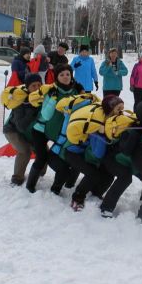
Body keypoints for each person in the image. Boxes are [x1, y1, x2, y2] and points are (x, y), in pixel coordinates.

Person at [25, 64, 84, 193]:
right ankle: (30, 184)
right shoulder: (52, 91)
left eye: (68, 74)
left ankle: (63, 184)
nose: (65, 77)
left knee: (71, 157)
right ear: (57, 77)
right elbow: (45, 115)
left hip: (59, 132)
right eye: (61, 75)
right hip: (41, 130)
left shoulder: (75, 91)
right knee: (41, 158)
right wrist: (52, 99)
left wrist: (82, 93)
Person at [65, 95, 123, 211]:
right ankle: (77, 198)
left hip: (85, 152)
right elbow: (98, 153)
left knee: (108, 175)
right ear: (110, 110)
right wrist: (101, 134)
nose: (121, 112)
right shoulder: (97, 123)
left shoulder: (109, 121)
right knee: (93, 173)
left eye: (122, 108)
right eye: (118, 109)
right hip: (73, 152)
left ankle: (95, 194)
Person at [99, 101, 142, 218]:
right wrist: (136, 138)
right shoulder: (133, 130)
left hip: (130, 161)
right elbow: (126, 151)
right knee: (125, 177)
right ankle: (106, 207)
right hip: (114, 158)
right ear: (141, 116)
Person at [4, 73, 43, 186]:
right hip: (12, 130)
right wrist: (31, 110)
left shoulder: (42, 98)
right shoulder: (20, 101)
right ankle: (17, 178)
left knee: (43, 150)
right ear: (28, 87)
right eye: (33, 86)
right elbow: (20, 126)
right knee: (25, 151)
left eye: (39, 85)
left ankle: (39, 172)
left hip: (30, 131)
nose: (37, 88)